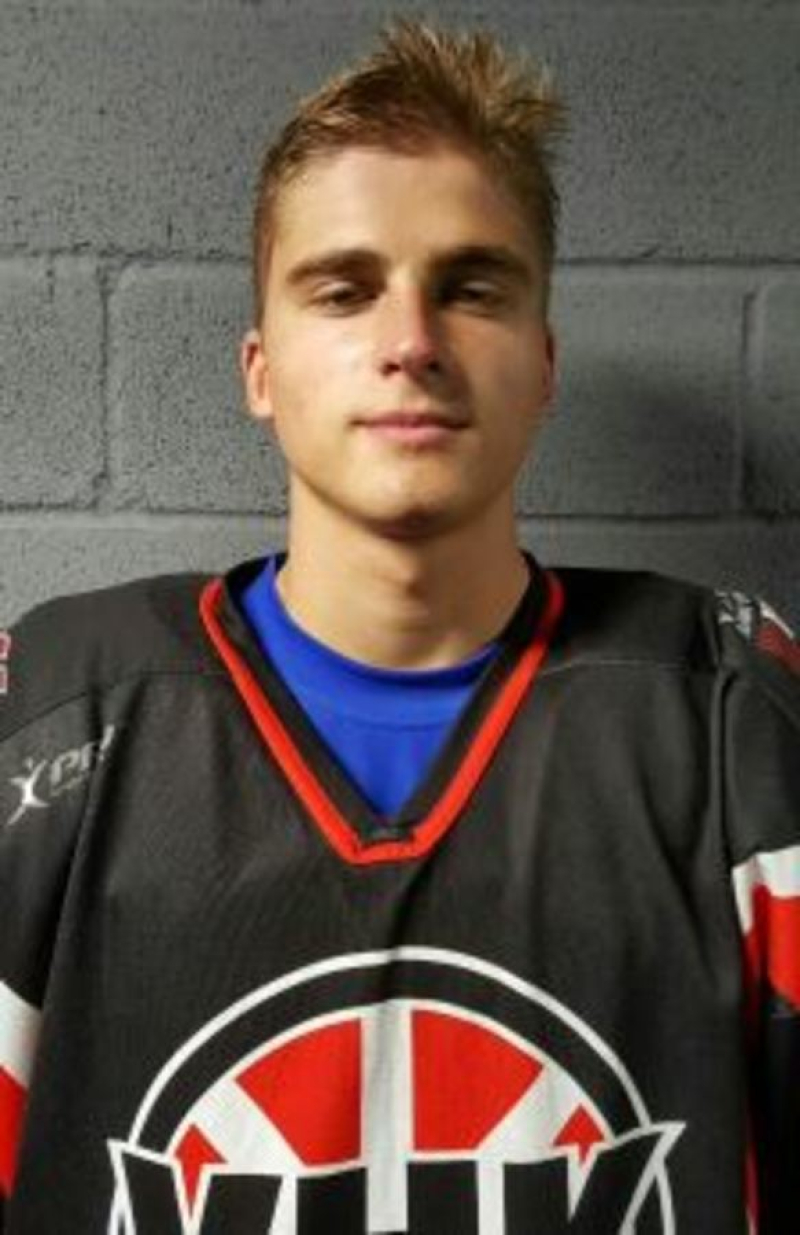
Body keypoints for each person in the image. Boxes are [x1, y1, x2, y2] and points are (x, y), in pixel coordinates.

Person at [0, 17, 797, 1234]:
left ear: (541, 362)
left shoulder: (728, 716)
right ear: (259, 369)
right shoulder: (53, 722)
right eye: (344, 289)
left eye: (470, 288)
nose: (411, 343)